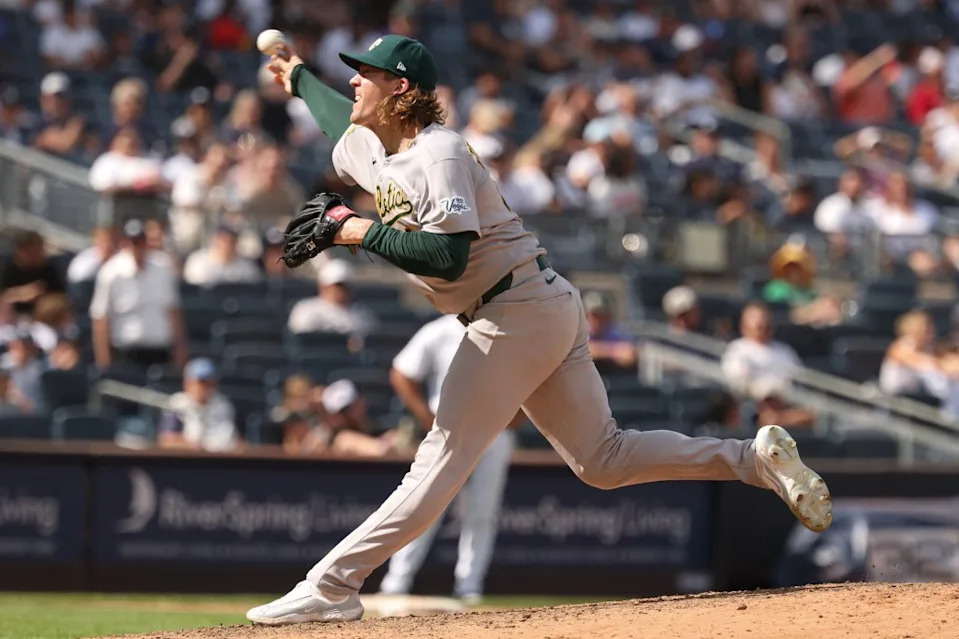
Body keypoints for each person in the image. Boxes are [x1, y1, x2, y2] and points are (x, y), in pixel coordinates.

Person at [247, 35, 832, 626]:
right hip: (535, 301)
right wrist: (297, 76)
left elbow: (447, 257)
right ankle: (751, 461)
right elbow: (332, 124)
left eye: (365, 73)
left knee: (441, 457)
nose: (352, 81)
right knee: (603, 458)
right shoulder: (376, 150)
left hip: (513, 308)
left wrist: (355, 231)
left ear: (400, 88)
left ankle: (331, 584)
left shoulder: (438, 152)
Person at [379, 314, 517, 604]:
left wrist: (517, 415)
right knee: (426, 504)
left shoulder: (508, 328)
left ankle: (470, 585)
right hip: (448, 429)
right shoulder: (439, 330)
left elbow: (530, 376)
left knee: (483, 511)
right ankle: (397, 581)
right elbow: (401, 373)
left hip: (494, 431)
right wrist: (427, 417)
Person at [89, 219, 188, 370]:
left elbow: (173, 311)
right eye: (132, 241)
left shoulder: (163, 266)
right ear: (124, 242)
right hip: (127, 352)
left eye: (140, 241)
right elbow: (101, 319)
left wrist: (180, 349)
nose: (136, 246)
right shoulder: (111, 272)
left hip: (160, 351)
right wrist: (104, 362)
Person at [720, 302, 803, 395]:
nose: (762, 324)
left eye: (766, 323)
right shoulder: (736, 349)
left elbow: (796, 379)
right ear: (744, 325)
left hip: (784, 400)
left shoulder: (784, 351)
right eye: (758, 324)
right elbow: (737, 380)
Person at [159, 358, 239, 452]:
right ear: (187, 383)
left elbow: (232, 441)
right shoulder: (177, 403)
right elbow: (167, 441)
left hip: (218, 459)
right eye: (198, 383)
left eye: (207, 384)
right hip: (185, 459)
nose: (202, 388)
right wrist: (196, 447)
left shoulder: (223, 405)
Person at [287, 260, 376, 336]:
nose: (341, 290)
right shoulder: (306, 310)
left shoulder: (362, 315)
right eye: (337, 286)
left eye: (345, 286)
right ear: (323, 286)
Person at [762, 244, 843, 327]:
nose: (794, 273)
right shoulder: (776, 288)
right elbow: (783, 312)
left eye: (798, 269)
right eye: (790, 269)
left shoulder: (807, 290)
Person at [0, 230, 65, 317]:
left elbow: (60, 297)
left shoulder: (48, 270)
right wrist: (21, 295)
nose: (39, 254)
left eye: (40, 249)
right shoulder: (6, 268)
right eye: (33, 251)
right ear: (20, 251)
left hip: (42, 319)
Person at [182, 223, 263, 288]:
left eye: (231, 240)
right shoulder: (198, 262)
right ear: (215, 240)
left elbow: (253, 289)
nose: (226, 245)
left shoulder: (246, 267)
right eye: (223, 240)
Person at [582, 291, 638, 374]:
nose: (595, 320)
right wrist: (611, 351)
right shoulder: (577, 334)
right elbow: (579, 352)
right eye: (591, 315)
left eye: (601, 315)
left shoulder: (614, 333)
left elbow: (629, 353)